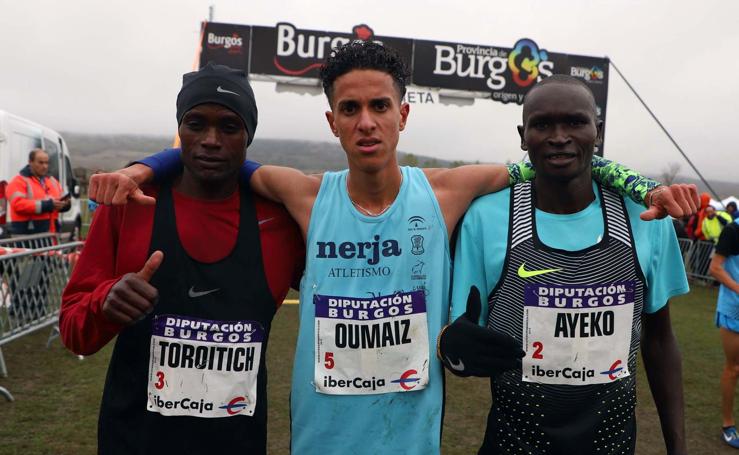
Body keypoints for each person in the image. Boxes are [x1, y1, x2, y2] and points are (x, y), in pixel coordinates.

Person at [89, 43, 697, 454]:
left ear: (403, 114)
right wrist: (148, 165)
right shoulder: (301, 194)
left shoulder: (449, 192)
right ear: (332, 123)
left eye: (380, 106)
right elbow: (214, 153)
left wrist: (641, 186)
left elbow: (556, 155)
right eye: (349, 109)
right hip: (321, 436)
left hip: (409, 438)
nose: (366, 122)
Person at [59, 63, 304, 454]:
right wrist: (105, 301)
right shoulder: (131, 204)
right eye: (195, 123)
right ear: (180, 130)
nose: (210, 139)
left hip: (237, 443)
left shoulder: (279, 220)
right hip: (133, 439)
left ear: (248, 135)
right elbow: (73, 331)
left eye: (229, 126)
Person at [441, 75, 688, 454]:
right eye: (542, 124)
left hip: (612, 445)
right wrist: (456, 348)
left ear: (597, 131)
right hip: (512, 444)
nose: (559, 136)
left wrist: (678, 448)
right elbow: (462, 335)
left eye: (574, 122)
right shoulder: (486, 217)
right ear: (523, 136)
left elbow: (659, 340)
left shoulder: (645, 219)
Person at [709, 218, 739, 448]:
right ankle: (728, 425)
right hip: (734, 310)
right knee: (734, 369)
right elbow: (715, 268)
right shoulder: (732, 230)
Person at [5, 148, 70, 235]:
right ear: (30, 162)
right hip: (27, 235)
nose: (45, 166)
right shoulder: (18, 181)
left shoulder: (52, 181)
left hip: (51, 231)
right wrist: (47, 205)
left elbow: (61, 200)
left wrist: (65, 204)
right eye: (41, 162)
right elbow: (18, 205)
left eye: (47, 163)